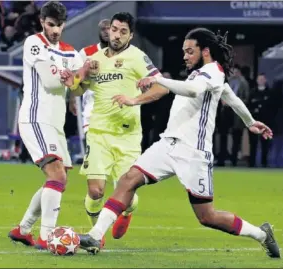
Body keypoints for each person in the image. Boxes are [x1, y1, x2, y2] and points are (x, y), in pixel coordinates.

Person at [76, 27, 280, 259]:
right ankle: (95, 235)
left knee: (207, 217)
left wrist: (159, 79)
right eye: (184, 51)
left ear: (205, 51)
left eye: (189, 51)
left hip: (194, 154)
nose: (184, 56)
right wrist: (250, 121)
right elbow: (230, 96)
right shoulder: (202, 73)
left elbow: (193, 91)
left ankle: (262, 235)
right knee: (128, 180)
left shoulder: (213, 71)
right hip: (168, 145)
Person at [62, 12, 168, 244]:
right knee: (96, 191)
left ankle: (127, 212)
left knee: (126, 195)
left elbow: (162, 88)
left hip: (128, 135)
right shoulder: (95, 60)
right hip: (99, 132)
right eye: (115, 29)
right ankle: (96, 236)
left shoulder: (138, 57)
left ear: (130, 35)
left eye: (123, 31)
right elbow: (80, 90)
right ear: (108, 30)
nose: (117, 35)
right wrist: (75, 83)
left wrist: (134, 100)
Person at [7, 1, 85, 250]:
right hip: (35, 117)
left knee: (59, 180)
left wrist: (77, 88)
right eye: (51, 25)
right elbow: (52, 82)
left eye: (59, 25)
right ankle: (47, 237)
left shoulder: (70, 52)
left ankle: (23, 230)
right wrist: (77, 74)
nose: (55, 30)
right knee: (57, 175)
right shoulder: (34, 43)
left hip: (56, 123)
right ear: (42, 22)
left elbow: (79, 86)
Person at [69, 19, 110, 136]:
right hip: (92, 103)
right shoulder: (86, 52)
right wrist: (72, 98)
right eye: (103, 29)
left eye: (109, 29)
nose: (106, 32)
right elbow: (77, 76)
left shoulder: (123, 54)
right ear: (98, 32)